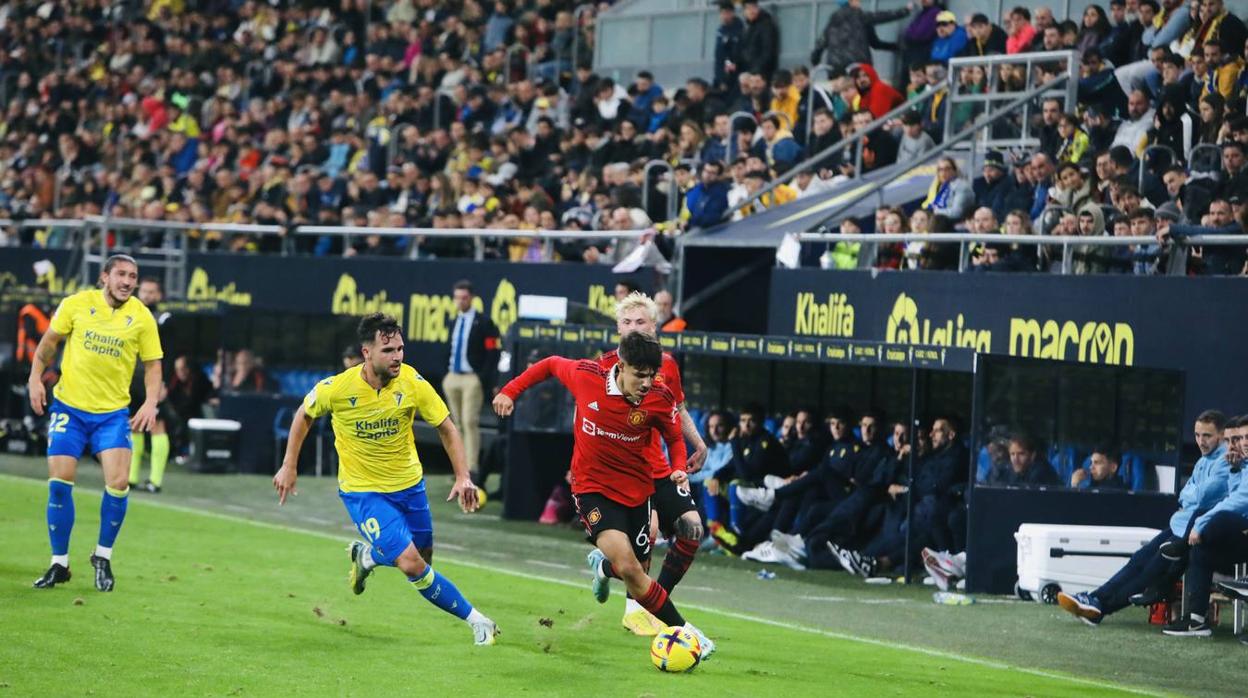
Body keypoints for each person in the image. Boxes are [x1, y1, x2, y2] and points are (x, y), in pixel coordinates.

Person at [273, 313, 499, 646]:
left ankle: (367, 557)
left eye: (400, 349)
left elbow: (447, 427)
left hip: (409, 486)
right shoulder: (337, 388)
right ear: (367, 352)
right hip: (363, 492)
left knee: (423, 559)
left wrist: (463, 476)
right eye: (388, 350)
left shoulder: (412, 382)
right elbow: (303, 414)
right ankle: (478, 621)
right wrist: (289, 465)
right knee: (411, 565)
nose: (397, 357)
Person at [493, 332, 716, 657]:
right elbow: (551, 364)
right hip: (592, 489)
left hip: (638, 492)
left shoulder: (659, 396)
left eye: (651, 375)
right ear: (621, 366)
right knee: (628, 567)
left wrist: (679, 465)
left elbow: (674, 436)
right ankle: (686, 633)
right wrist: (510, 391)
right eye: (639, 374)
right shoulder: (587, 377)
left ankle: (601, 568)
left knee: (635, 571)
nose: (646, 382)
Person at [28, 254, 164, 591]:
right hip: (70, 409)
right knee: (60, 481)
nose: (127, 281)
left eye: (132, 276)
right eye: (121, 274)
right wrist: (34, 378)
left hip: (112, 414)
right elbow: (47, 346)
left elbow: (153, 365)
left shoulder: (142, 317)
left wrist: (150, 402)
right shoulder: (76, 304)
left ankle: (102, 556)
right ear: (105, 276)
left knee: (118, 483)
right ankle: (59, 563)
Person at [596, 292, 707, 634]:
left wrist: (698, 442)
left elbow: (677, 410)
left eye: (640, 322)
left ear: (654, 326)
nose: (633, 328)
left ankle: (653, 604)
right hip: (627, 472)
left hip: (660, 468)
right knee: (645, 543)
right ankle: (633, 605)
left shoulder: (667, 365)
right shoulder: (606, 366)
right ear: (618, 328)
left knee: (692, 530)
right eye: (627, 323)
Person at [1058, 410, 1231, 625]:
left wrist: (1191, 495)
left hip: (1195, 531)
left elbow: (1203, 496)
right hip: (1180, 525)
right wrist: (1192, 495)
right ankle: (1096, 600)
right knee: (1138, 560)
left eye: (1207, 436)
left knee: (1148, 572)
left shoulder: (1224, 460)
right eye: (1197, 435)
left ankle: (1099, 605)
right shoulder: (1203, 461)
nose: (1200, 441)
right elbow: (1186, 493)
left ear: (1222, 435)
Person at [1164, 416, 1246, 637]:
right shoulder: (1240, 463)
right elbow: (1233, 495)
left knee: (1214, 518)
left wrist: (1200, 524)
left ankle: (1176, 557)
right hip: (1239, 532)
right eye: (1241, 438)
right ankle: (1196, 621)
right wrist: (1236, 470)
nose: (1243, 443)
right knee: (1200, 548)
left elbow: (1238, 501)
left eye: (1246, 437)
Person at [444, 280, 501, 481]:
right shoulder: (453, 321)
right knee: (456, 424)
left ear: (472, 298)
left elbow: (493, 351)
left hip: (471, 377)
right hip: (453, 376)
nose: (460, 301)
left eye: (464, 297)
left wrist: (482, 377)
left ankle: (472, 467)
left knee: (469, 421)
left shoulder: (484, 322)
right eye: (457, 297)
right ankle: (461, 467)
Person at [128, 277, 174, 493]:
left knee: (157, 424)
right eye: (144, 291)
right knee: (134, 424)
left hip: (153, 381)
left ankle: (155, 481)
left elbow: (170, 354)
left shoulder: (164, 319)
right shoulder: (131, 315)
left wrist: (164, 382)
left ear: (160, 295)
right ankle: (131, 477)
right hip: (131, 379)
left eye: (151, 292)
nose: (146, 295)